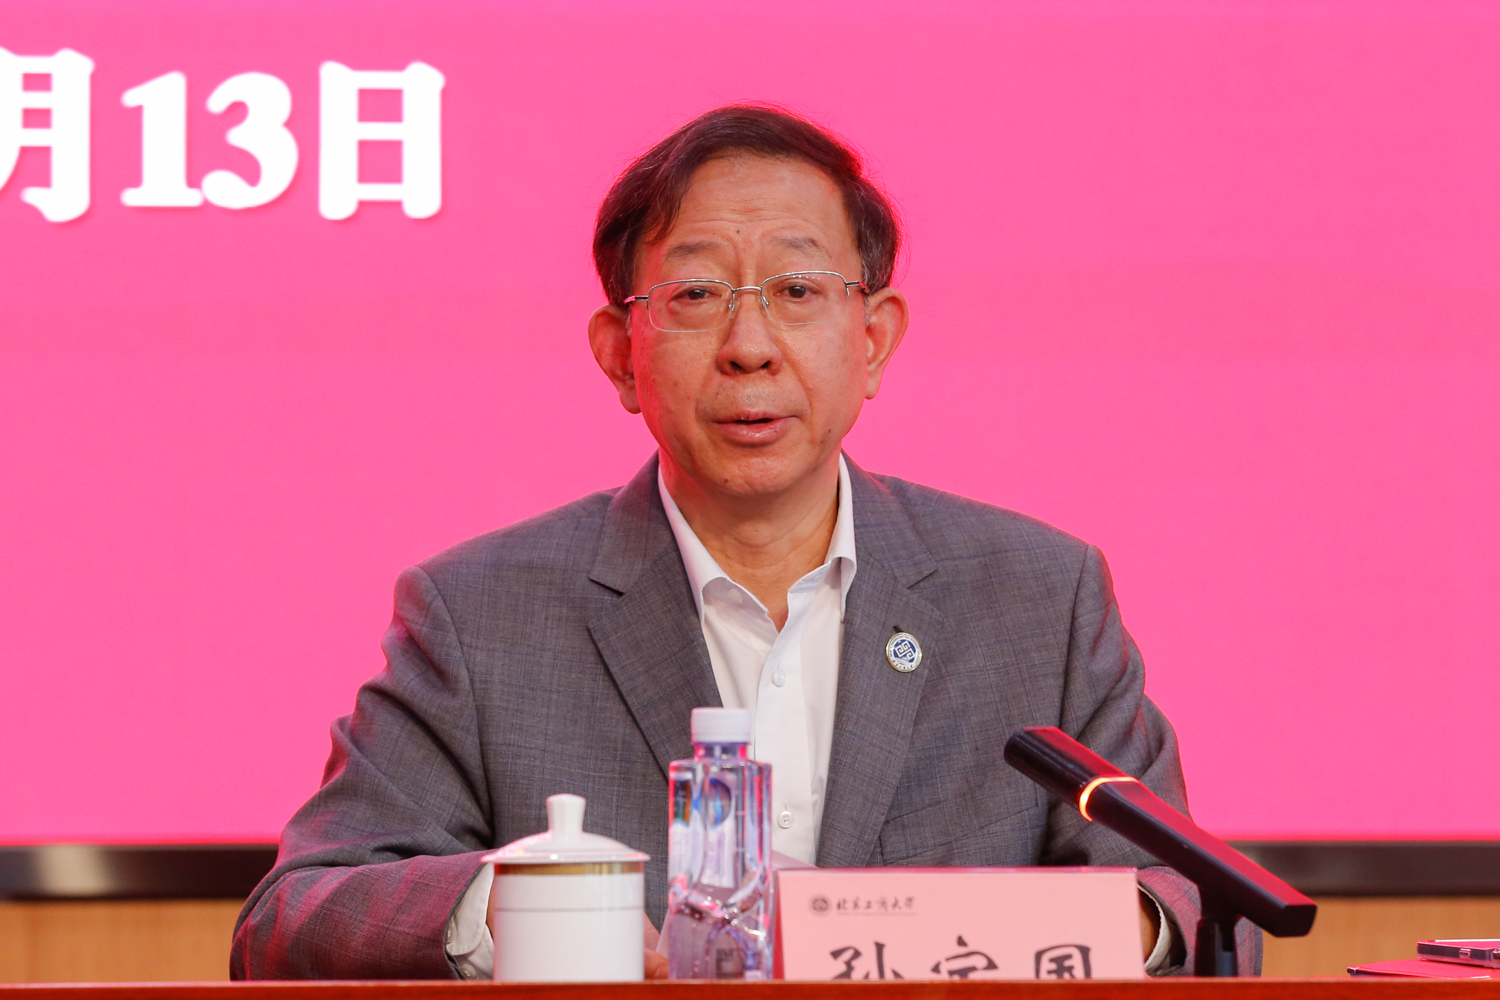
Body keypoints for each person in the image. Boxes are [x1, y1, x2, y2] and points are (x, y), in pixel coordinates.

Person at [230, 105, 1258, 980]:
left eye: (798, 292)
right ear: (619, 356)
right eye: (695, 296)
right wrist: (510, 908)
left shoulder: (1037, 597)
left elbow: (1202, 908)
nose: (749, 346)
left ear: (874, 340)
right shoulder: (483, 613)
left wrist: (1025, 935)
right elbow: (291, 921)